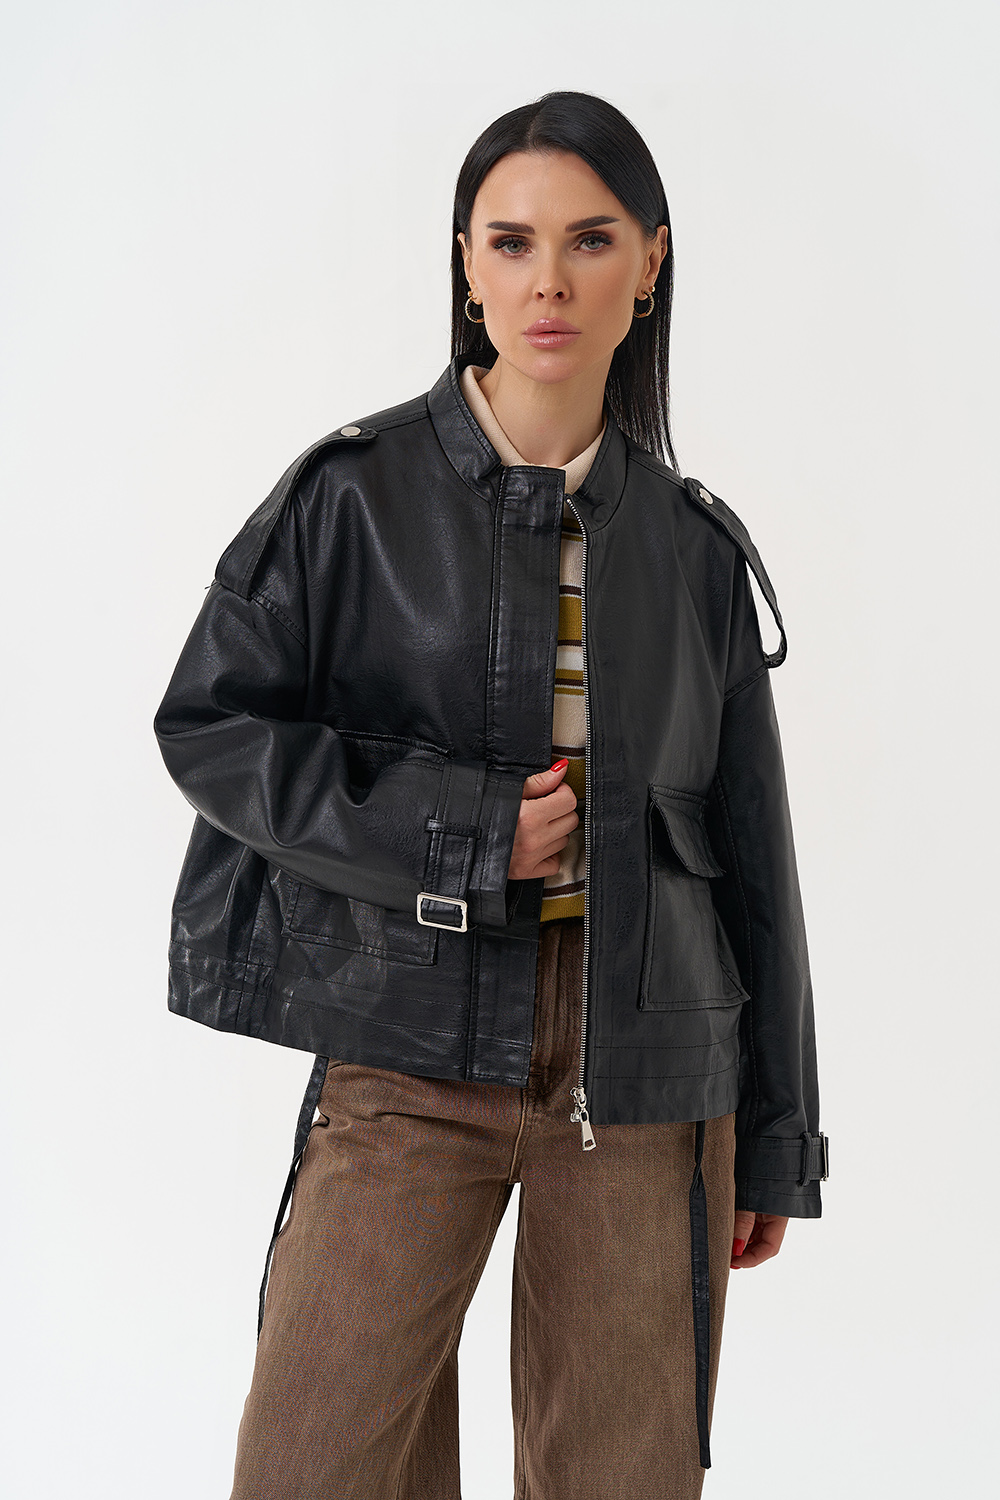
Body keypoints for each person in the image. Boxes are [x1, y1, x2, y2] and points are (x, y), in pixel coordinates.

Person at [153, 89, 828, 1500]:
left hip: (649, 1071)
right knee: (310, 1466)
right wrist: (456, 833)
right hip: (402, 1044)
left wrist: (776, 1135)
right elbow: (210, 727)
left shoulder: (695, 550)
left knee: (622, 1478)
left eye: (591, 240)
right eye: (512, 242)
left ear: (650, 262)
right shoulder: (352, 499)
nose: (549, 281)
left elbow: (756, 855)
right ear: (466, 262)